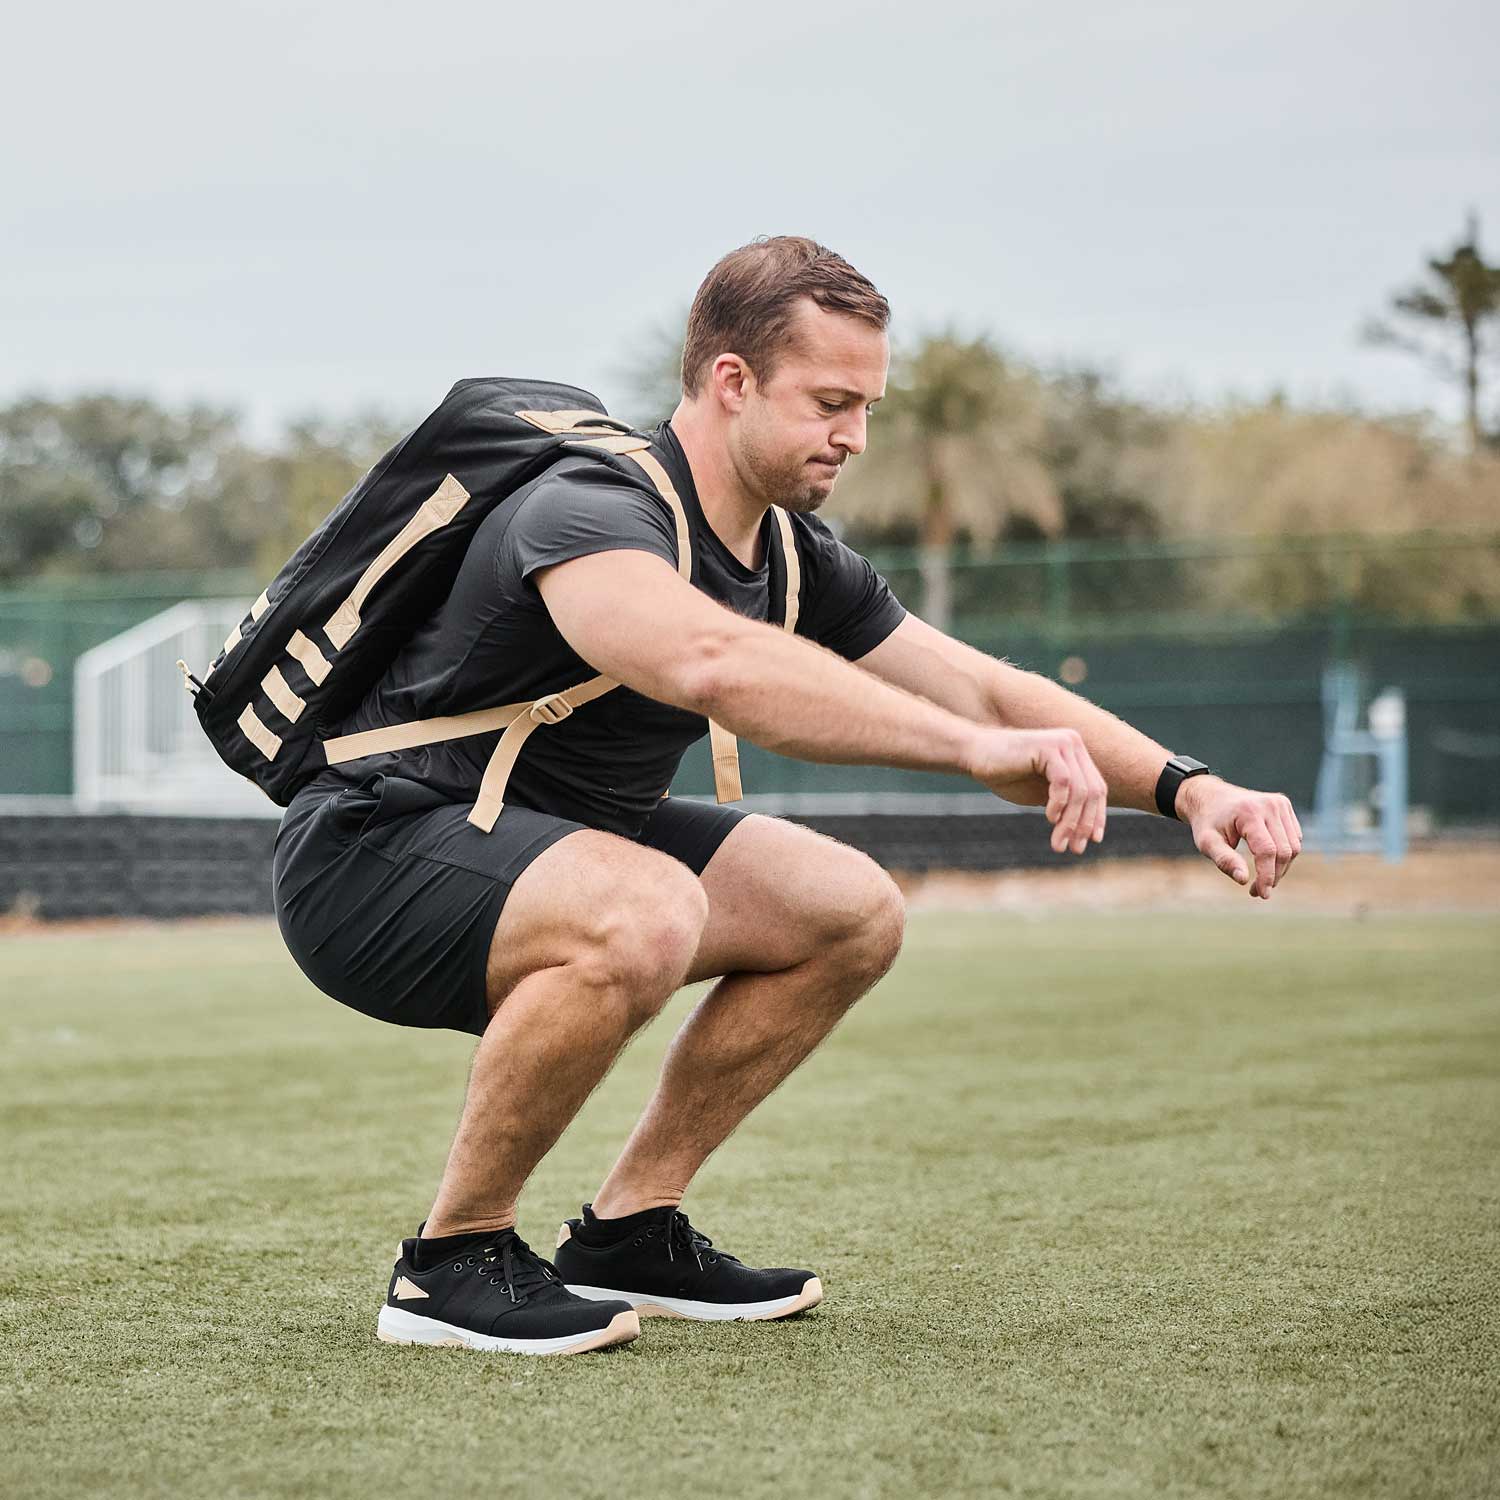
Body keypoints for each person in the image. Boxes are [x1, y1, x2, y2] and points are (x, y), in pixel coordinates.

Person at [272, 235, 1302, 1357]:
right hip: (373, 852)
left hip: (558, 841)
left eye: (868, 407)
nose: (855, 436)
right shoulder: (587, 509)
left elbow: (983, 685)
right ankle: (449, 1263)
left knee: (847, 909)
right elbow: (712, 662)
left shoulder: (791, 554)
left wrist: (1189, 788)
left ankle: (628, 1231)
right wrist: (968, 750)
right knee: (649, 907)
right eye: (830, 403)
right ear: (733, 381)